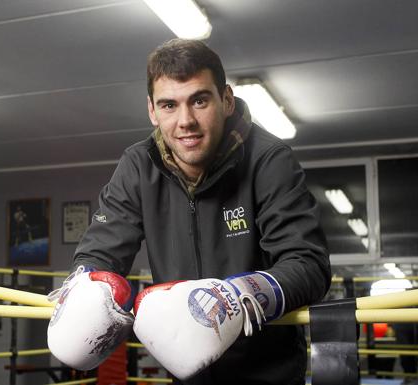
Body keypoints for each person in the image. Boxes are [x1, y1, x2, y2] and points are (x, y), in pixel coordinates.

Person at [48, 38, 331, 385]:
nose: (186, 121)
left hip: (267, 374)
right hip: (186, 374)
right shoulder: (139, 165)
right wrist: (86, 288)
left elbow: (308, 265)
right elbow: (101, 249)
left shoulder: (268, 160)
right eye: (169, 105)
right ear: (152, 110)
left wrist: (239, 297)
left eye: (199, 100)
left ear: (226, 100)